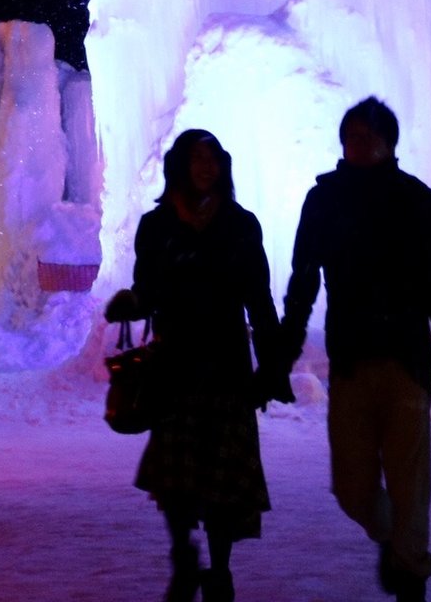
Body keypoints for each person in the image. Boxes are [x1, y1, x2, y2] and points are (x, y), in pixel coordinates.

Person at [278, 97, 431, 602]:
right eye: (352, 136)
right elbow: (303, 280)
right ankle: (393, 538)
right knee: (351, 488)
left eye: (370, 136)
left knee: (410, 483)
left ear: (390, 143)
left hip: (405, 360)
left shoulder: (417, 200)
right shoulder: (323, 200)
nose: (360, 144)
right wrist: (285, 350)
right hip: (350, 360)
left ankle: (411, 575)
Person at [113, 128, 286, 602]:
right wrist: (131, 303)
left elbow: (258, 297)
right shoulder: (158, 225)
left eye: (213, 158)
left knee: (222, 480)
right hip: (175, 363)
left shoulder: (240, 224)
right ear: (180, 165)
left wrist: (272, 363)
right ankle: (184, 552)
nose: (205, 166)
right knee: (175, 476)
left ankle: (221, 567)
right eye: (196, 158)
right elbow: (146, 287)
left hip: (226, 363)